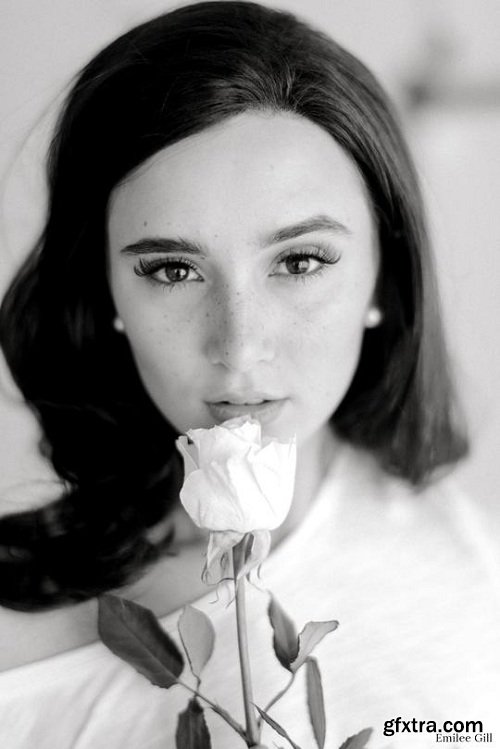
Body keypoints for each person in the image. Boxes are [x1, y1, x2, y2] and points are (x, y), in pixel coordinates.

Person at [0, 2, 498, 747]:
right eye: (172, 270)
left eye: (299, 262)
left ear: (385, 279)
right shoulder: (15, 644)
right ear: (103, 293)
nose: (238, 349)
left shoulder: (477, 604)